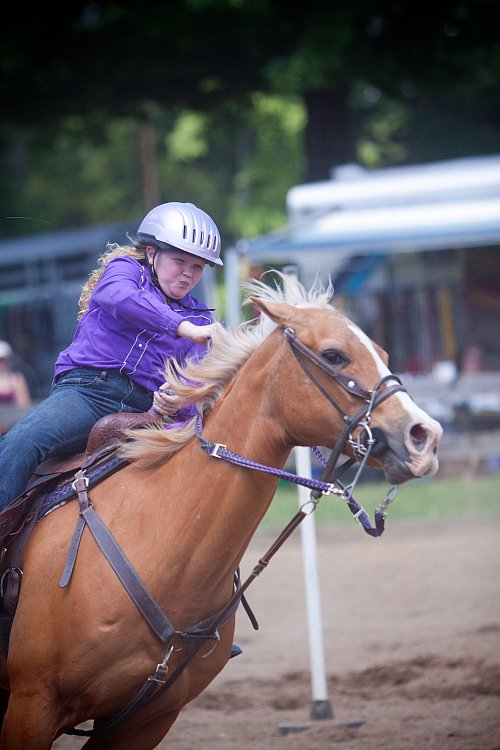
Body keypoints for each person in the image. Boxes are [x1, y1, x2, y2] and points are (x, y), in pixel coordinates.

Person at [0, 201, 223, 511]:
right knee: (20, 443)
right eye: (179, 261)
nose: (187, 274)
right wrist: (182, 327)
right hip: (88, 394)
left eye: (197, 266)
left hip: (149, 413)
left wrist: (179, 398)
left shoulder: (201, 318)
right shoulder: (124, 271)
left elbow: (194, 382)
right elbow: (120, 298)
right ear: (151, 253)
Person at [0, 341, 32, 409]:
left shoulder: (16, 378)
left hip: (12, 417)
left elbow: (24, 404)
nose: (1, 363)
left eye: (2, 360)